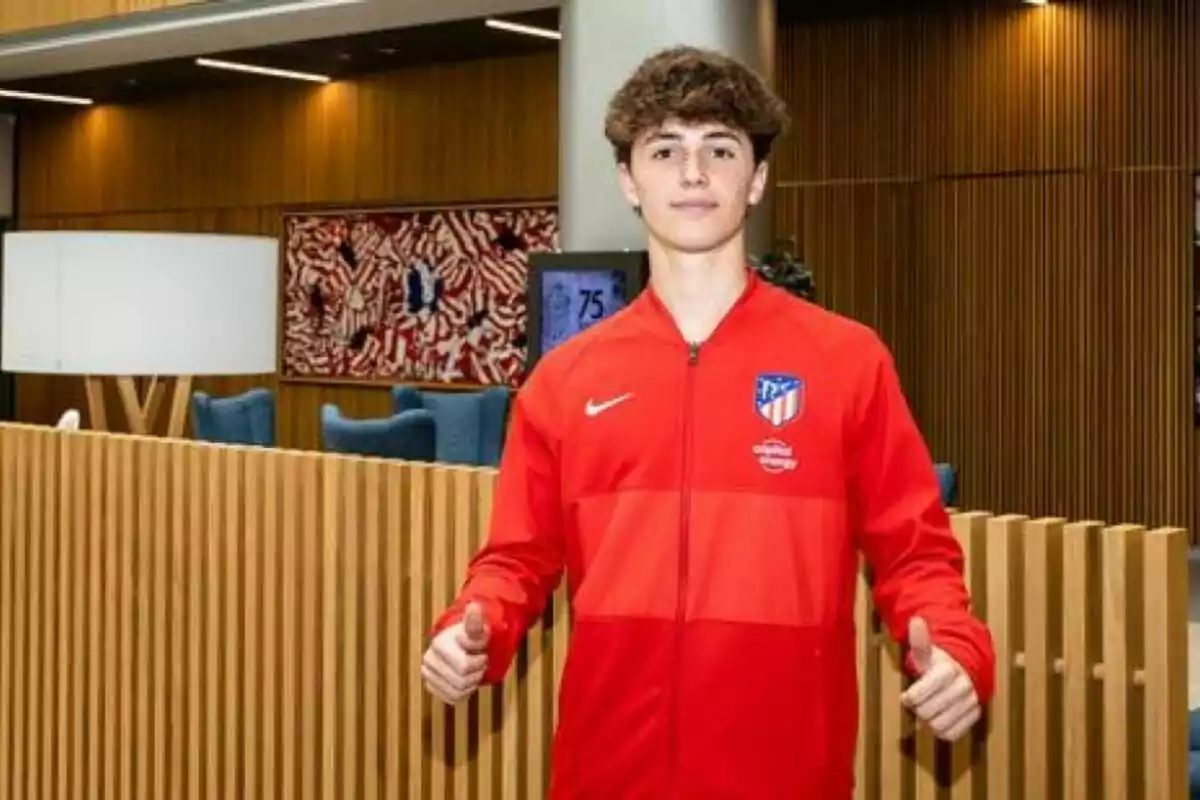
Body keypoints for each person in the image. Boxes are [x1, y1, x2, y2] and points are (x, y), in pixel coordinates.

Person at [421, 45, 995, 798]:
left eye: (719, 148)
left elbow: (915, 555)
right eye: (666, 149)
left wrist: (956, 647)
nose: (693, 172)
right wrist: (475, 627)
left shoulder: (848, 361)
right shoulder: (565, 379)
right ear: (630, 179)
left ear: (755, 178)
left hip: (786, 771)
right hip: (606, 770)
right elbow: (516, 559)